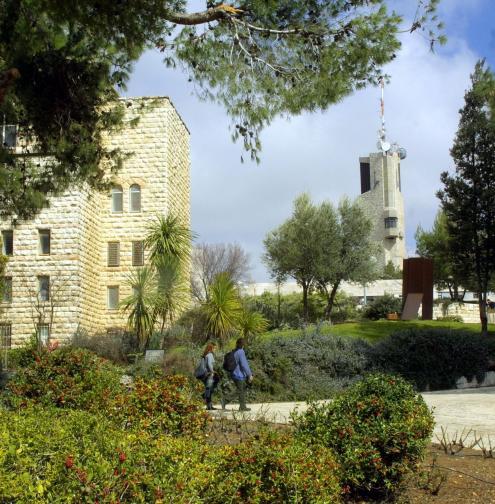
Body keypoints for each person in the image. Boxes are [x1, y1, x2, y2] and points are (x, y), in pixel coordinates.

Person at [231, 338, 253, 412]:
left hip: (234, 373)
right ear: (243, 344)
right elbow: (244, 364)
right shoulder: (241, 352)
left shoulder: (235, 351)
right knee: (241, 391)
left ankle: (243, 406)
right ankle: (242, 407)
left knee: (241, 391)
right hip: (239, 374)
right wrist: (249, 374)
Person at [201, 342, 219, 410]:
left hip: (205, 374)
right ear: (211, 348)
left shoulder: (206, 354)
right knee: (209, 390)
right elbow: (209, 364)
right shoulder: (210, 355)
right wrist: (212, 371)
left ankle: (209, 406)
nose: (215, 349)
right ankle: (205, 397)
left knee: (209, 389)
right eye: (214, 348)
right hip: (209, 374)